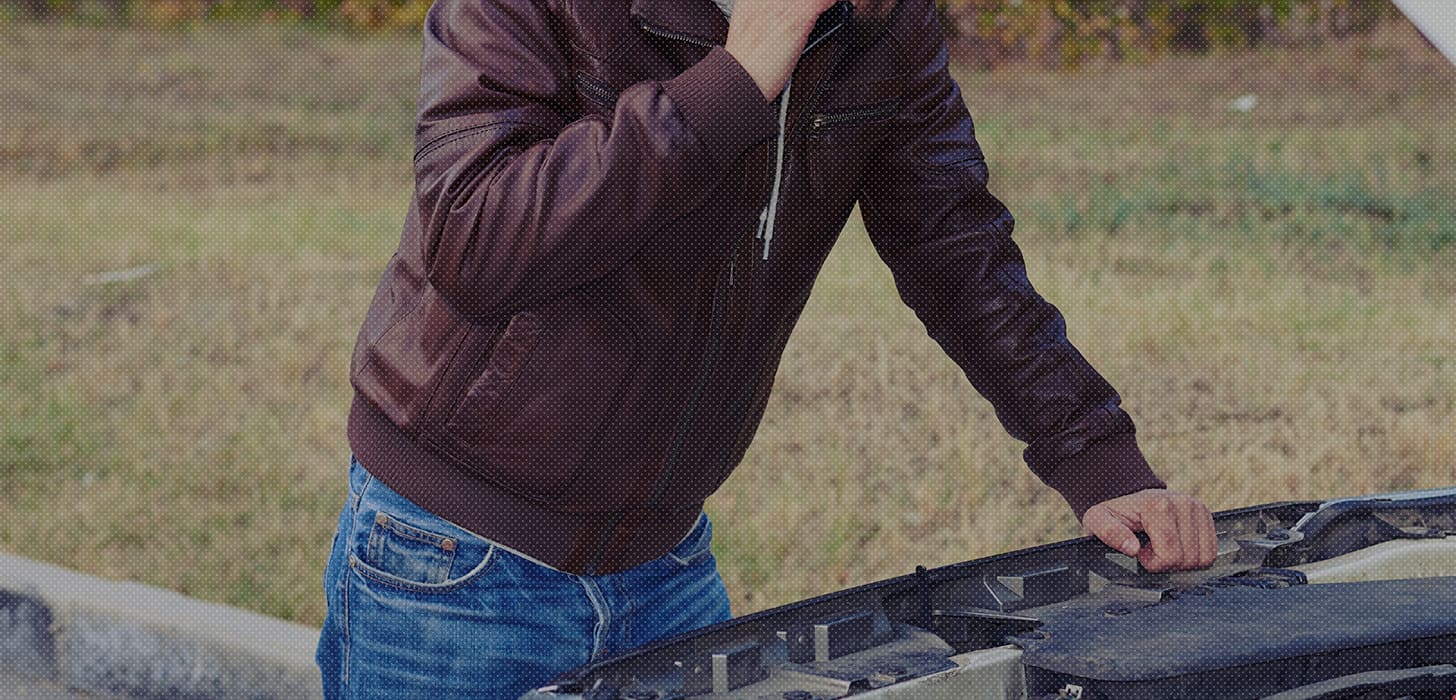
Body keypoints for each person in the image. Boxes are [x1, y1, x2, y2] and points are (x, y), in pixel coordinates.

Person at [315, 0, 1216, 696]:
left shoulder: (880, 21)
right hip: (456, 563)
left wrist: (1099, 460)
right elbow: (476, 238)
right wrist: (738, 78)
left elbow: (955, 248)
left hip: (666, 564)